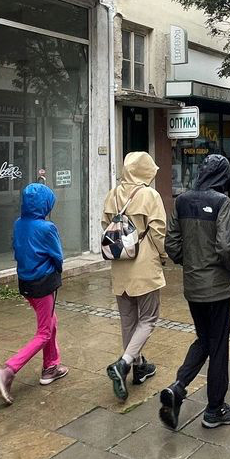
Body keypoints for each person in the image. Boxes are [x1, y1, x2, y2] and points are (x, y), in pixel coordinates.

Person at [159, 154, 230, 430]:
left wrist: (190, 262)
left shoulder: (181, 201)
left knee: (204, 339)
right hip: (217, 289)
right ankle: (215, 409)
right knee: (218, 346)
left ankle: (178, 387)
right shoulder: (222, 203)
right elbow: (226, 248)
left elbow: (171, 243)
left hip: (193, 287)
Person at [0, 183, 68, 404]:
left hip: (25, 283)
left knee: (51, 322)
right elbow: (58, 256)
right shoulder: (47, 228)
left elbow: (16, 247)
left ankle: (51, 367)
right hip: (43, 284)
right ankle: (8, 370)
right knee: (44, 331)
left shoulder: (18, 224)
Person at [102, 151, 168, 401]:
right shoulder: (150, 195)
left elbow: (105, 225)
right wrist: (163, 256)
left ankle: (139, 367)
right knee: (149, 318)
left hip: (120, 266)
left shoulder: (113, 193)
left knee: (128, 320)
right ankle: (125, 363)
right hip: (145, 266)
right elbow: (159, 232)